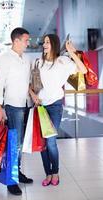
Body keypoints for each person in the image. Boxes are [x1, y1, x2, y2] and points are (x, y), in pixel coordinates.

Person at [29, 34, 87, 186]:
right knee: (43, 142)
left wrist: (71, 51)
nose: (44, 44)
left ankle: (55, 172)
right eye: (44, 42)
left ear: (54, 44)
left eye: (48, 42)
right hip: (40, 106)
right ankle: (48, 174)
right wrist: (33, 95)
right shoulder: (38, 62)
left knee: (51, 141)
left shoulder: (63, 61)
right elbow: (31, 85)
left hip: (55, 106)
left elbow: (84, 70)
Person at [0, 27, 33, 195]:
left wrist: (33, 96)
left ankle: (18, 172)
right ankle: (11, 180)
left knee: (20, 143)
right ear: (16, 41)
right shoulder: (5, 59)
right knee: (14, 144)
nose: (28, 43)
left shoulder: (27, 58)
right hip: (13, 105)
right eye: (26, 40)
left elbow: (27, 82)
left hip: (25, 105)